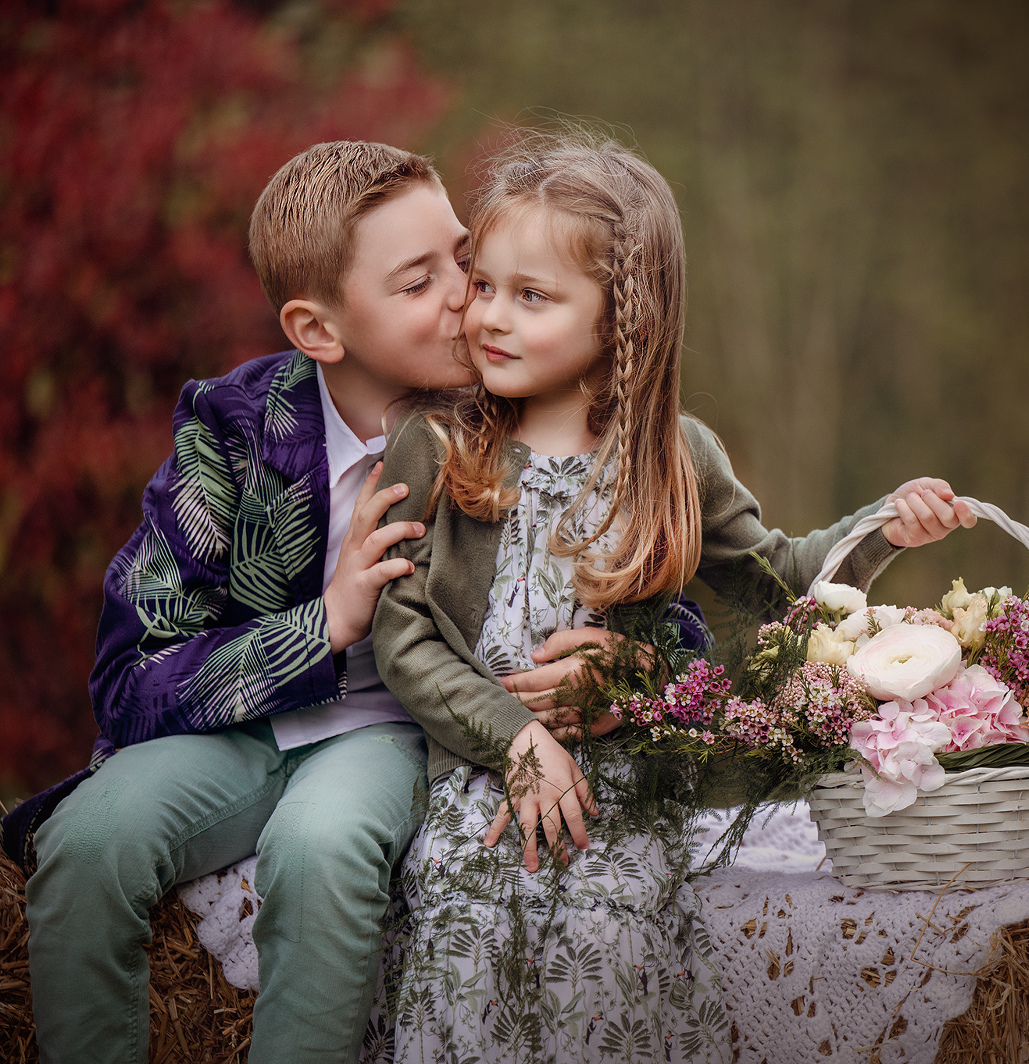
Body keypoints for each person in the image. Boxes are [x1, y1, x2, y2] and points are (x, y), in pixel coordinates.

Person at [6, 141, 688, 1064]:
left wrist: (638, 669)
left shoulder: (523, 412)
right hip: (238, 733)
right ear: (318, 330)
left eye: (462, 256)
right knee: (86, 843)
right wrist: (321, 625)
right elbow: (129, 678)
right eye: (419, 283)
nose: (467, 295)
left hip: (401, 729)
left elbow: (668, 590)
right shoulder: (235, 432)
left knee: (320, 851)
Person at [367, 130, 974, 1064]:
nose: (489, 315)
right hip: (480, 778)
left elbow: (781, 590)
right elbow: (404, 638)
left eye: (533, 297)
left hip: (625, 796)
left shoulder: (675, 459)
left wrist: (882, 528)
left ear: (622, 319)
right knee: (464, 927)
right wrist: (517, 739)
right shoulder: (438, 449)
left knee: (612, 945)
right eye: (482, 285)